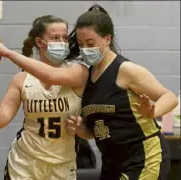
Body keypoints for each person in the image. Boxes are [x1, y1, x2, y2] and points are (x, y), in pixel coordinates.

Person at [65, 5, 179, 180]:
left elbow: (169, 97)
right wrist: (82, 129)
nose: (85, 49)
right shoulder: (87, 77)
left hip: (145, 157)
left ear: (107, 39)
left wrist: (153, 111)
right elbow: (98, 130)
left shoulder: (126, 70)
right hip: (112, 162)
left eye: (90, 44)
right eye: (81, 45)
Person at [0, 15, 89, 180]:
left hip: (62, 165)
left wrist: (9, 53)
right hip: (24, 164)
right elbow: (0, 120)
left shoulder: (78, 72)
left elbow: (51, 76)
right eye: (55, 38)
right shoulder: (22, 80)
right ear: (40, 43)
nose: (62, 42)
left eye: (65, 38)